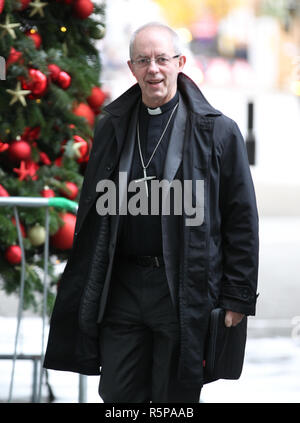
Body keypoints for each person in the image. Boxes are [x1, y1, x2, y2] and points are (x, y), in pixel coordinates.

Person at [44, 22, 259, 403]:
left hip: (182, 289)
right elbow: (94, 212)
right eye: (143, 60)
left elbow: (241, 219)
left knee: (174, 399)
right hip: (122, 287)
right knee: (117, 394)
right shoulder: (112, 125)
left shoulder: (218, 131)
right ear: (131, 68)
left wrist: (237, 298)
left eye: (161, 59)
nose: (153, 69)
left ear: (180, 62)